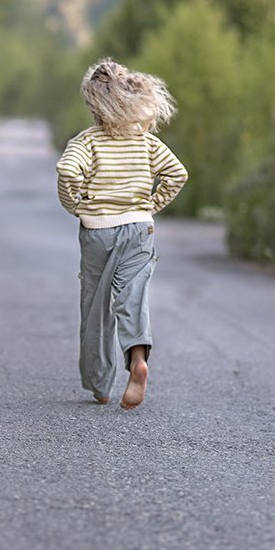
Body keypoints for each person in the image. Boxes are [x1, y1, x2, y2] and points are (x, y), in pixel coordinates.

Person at [56, 58, 188, 409]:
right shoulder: (145, 142)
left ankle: (101, 386)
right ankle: (138, 362)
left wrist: (76, 206)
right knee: (133, 297)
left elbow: (68, 172)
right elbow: (177, 174)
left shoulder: (87, 142)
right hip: (138, 229)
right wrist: (150, 205)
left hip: (99, 231)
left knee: (97, 307)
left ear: (94, 104)